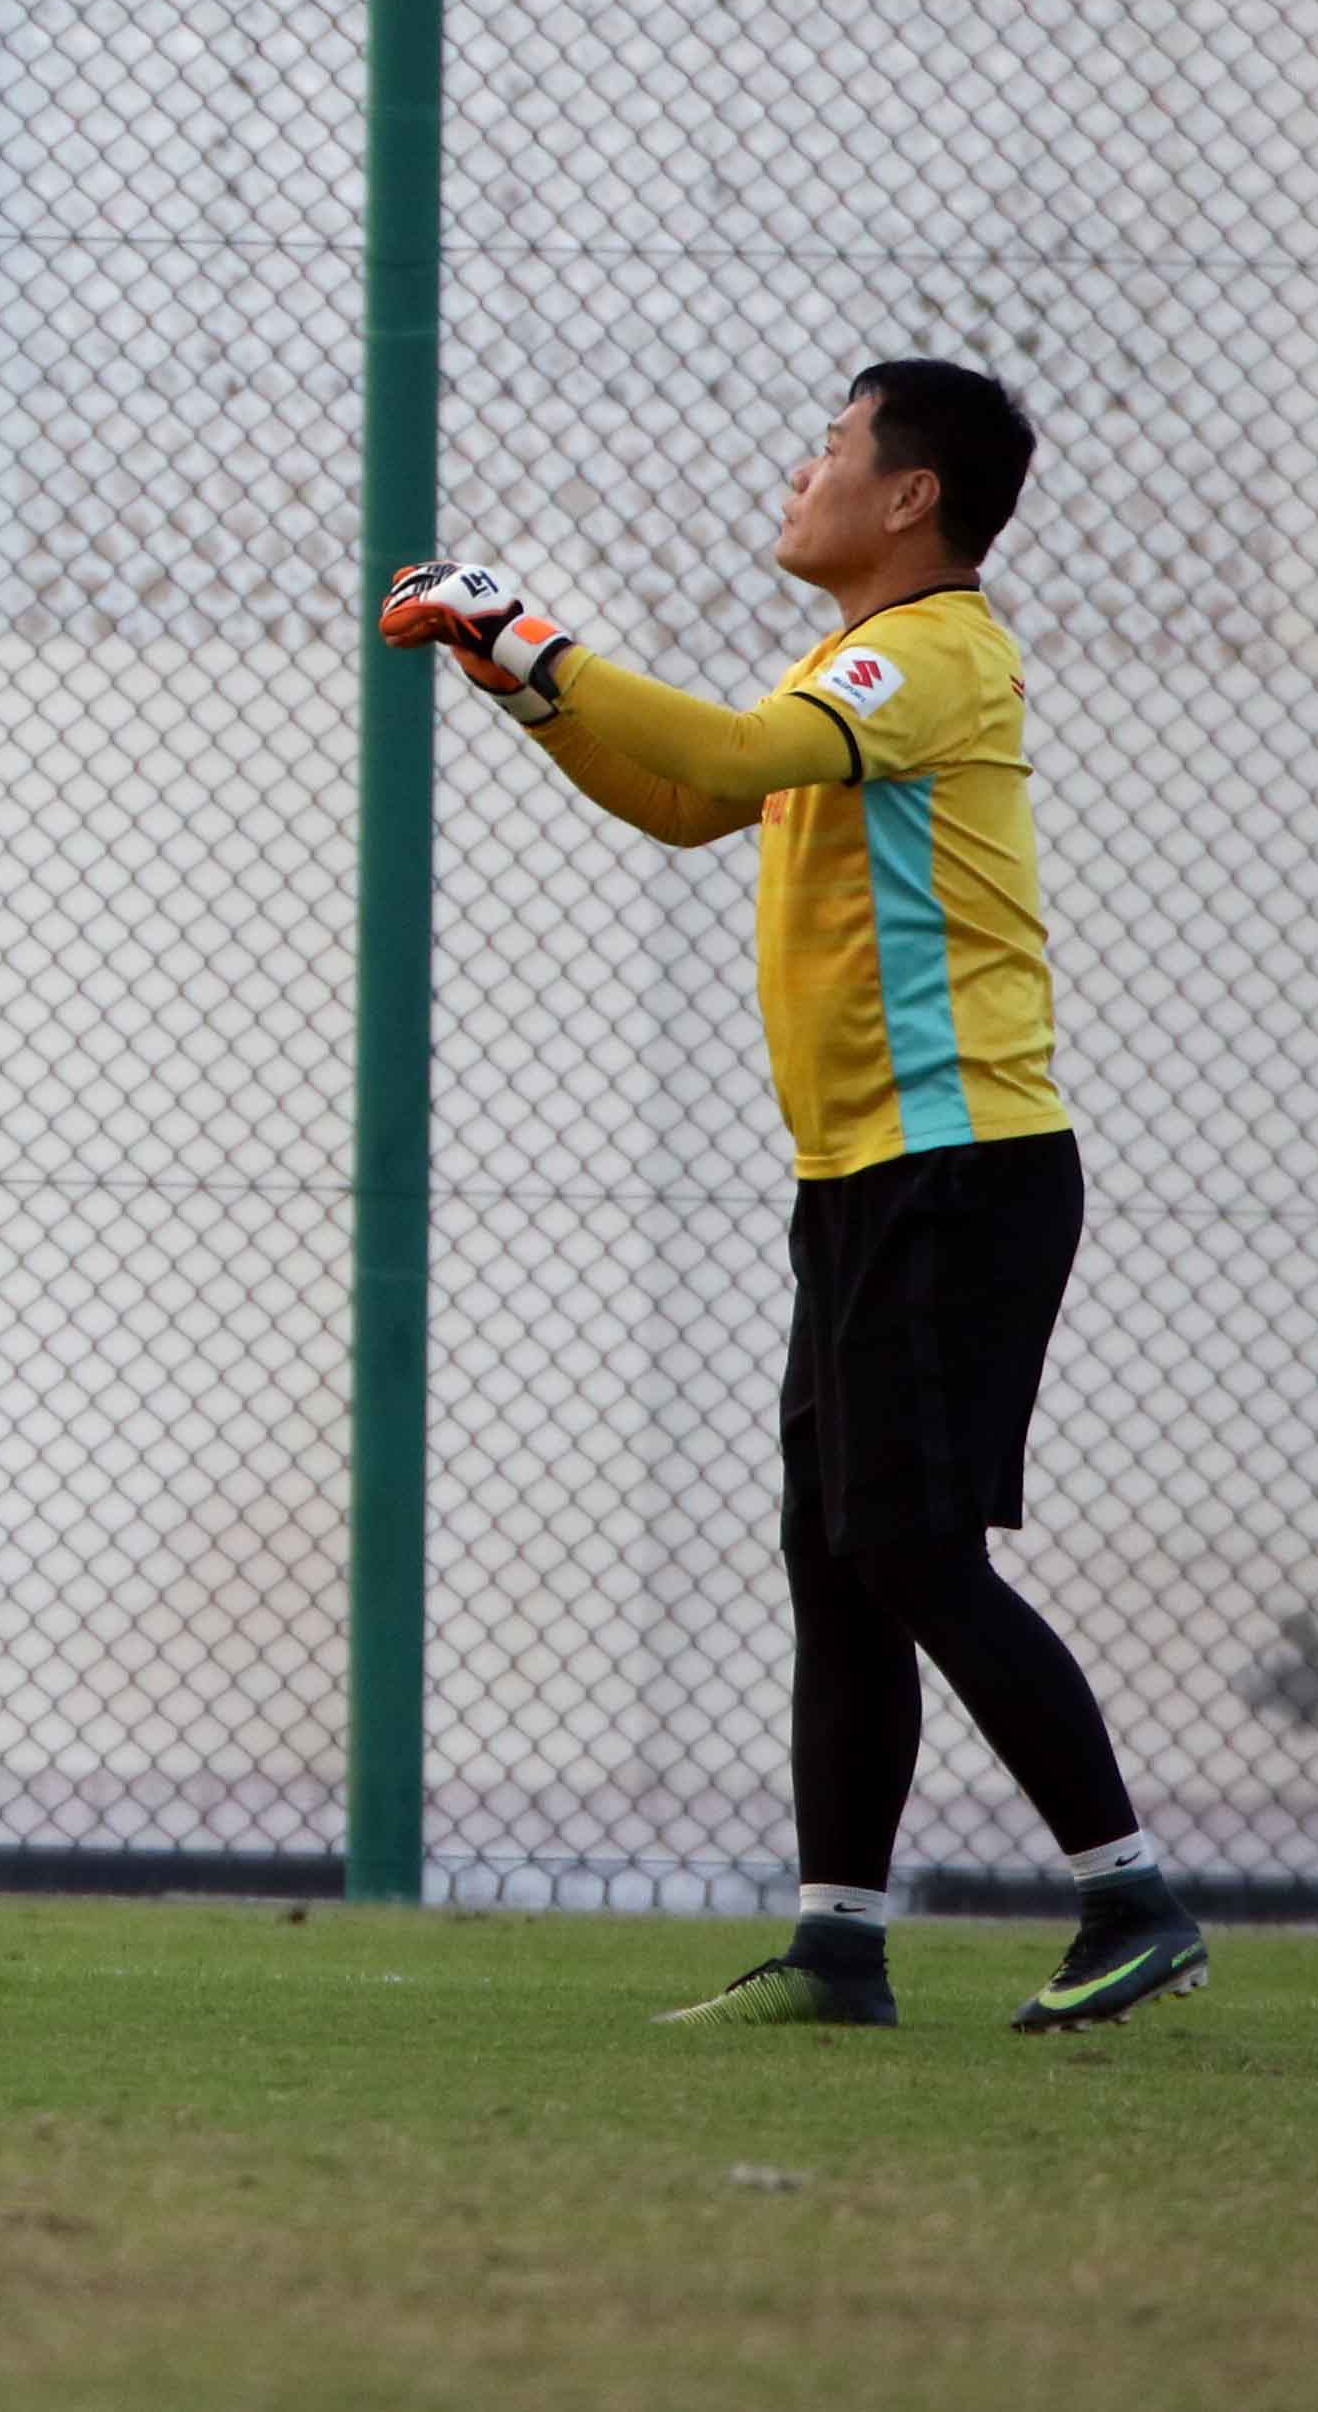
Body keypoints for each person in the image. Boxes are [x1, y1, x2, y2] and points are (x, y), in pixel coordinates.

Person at [384, 359, 1206, 2033]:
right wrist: (521, 687)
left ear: (910, 497)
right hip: (864, 1174)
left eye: (831, 448)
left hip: (961, 1166)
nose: (802, 474)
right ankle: (839, 1946)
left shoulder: (933, 652)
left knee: (910, 1543)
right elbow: (699, 800)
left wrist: (532, 631)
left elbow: (744, 747)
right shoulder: (852, 666)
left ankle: (1132, 1895)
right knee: (840, 1559)